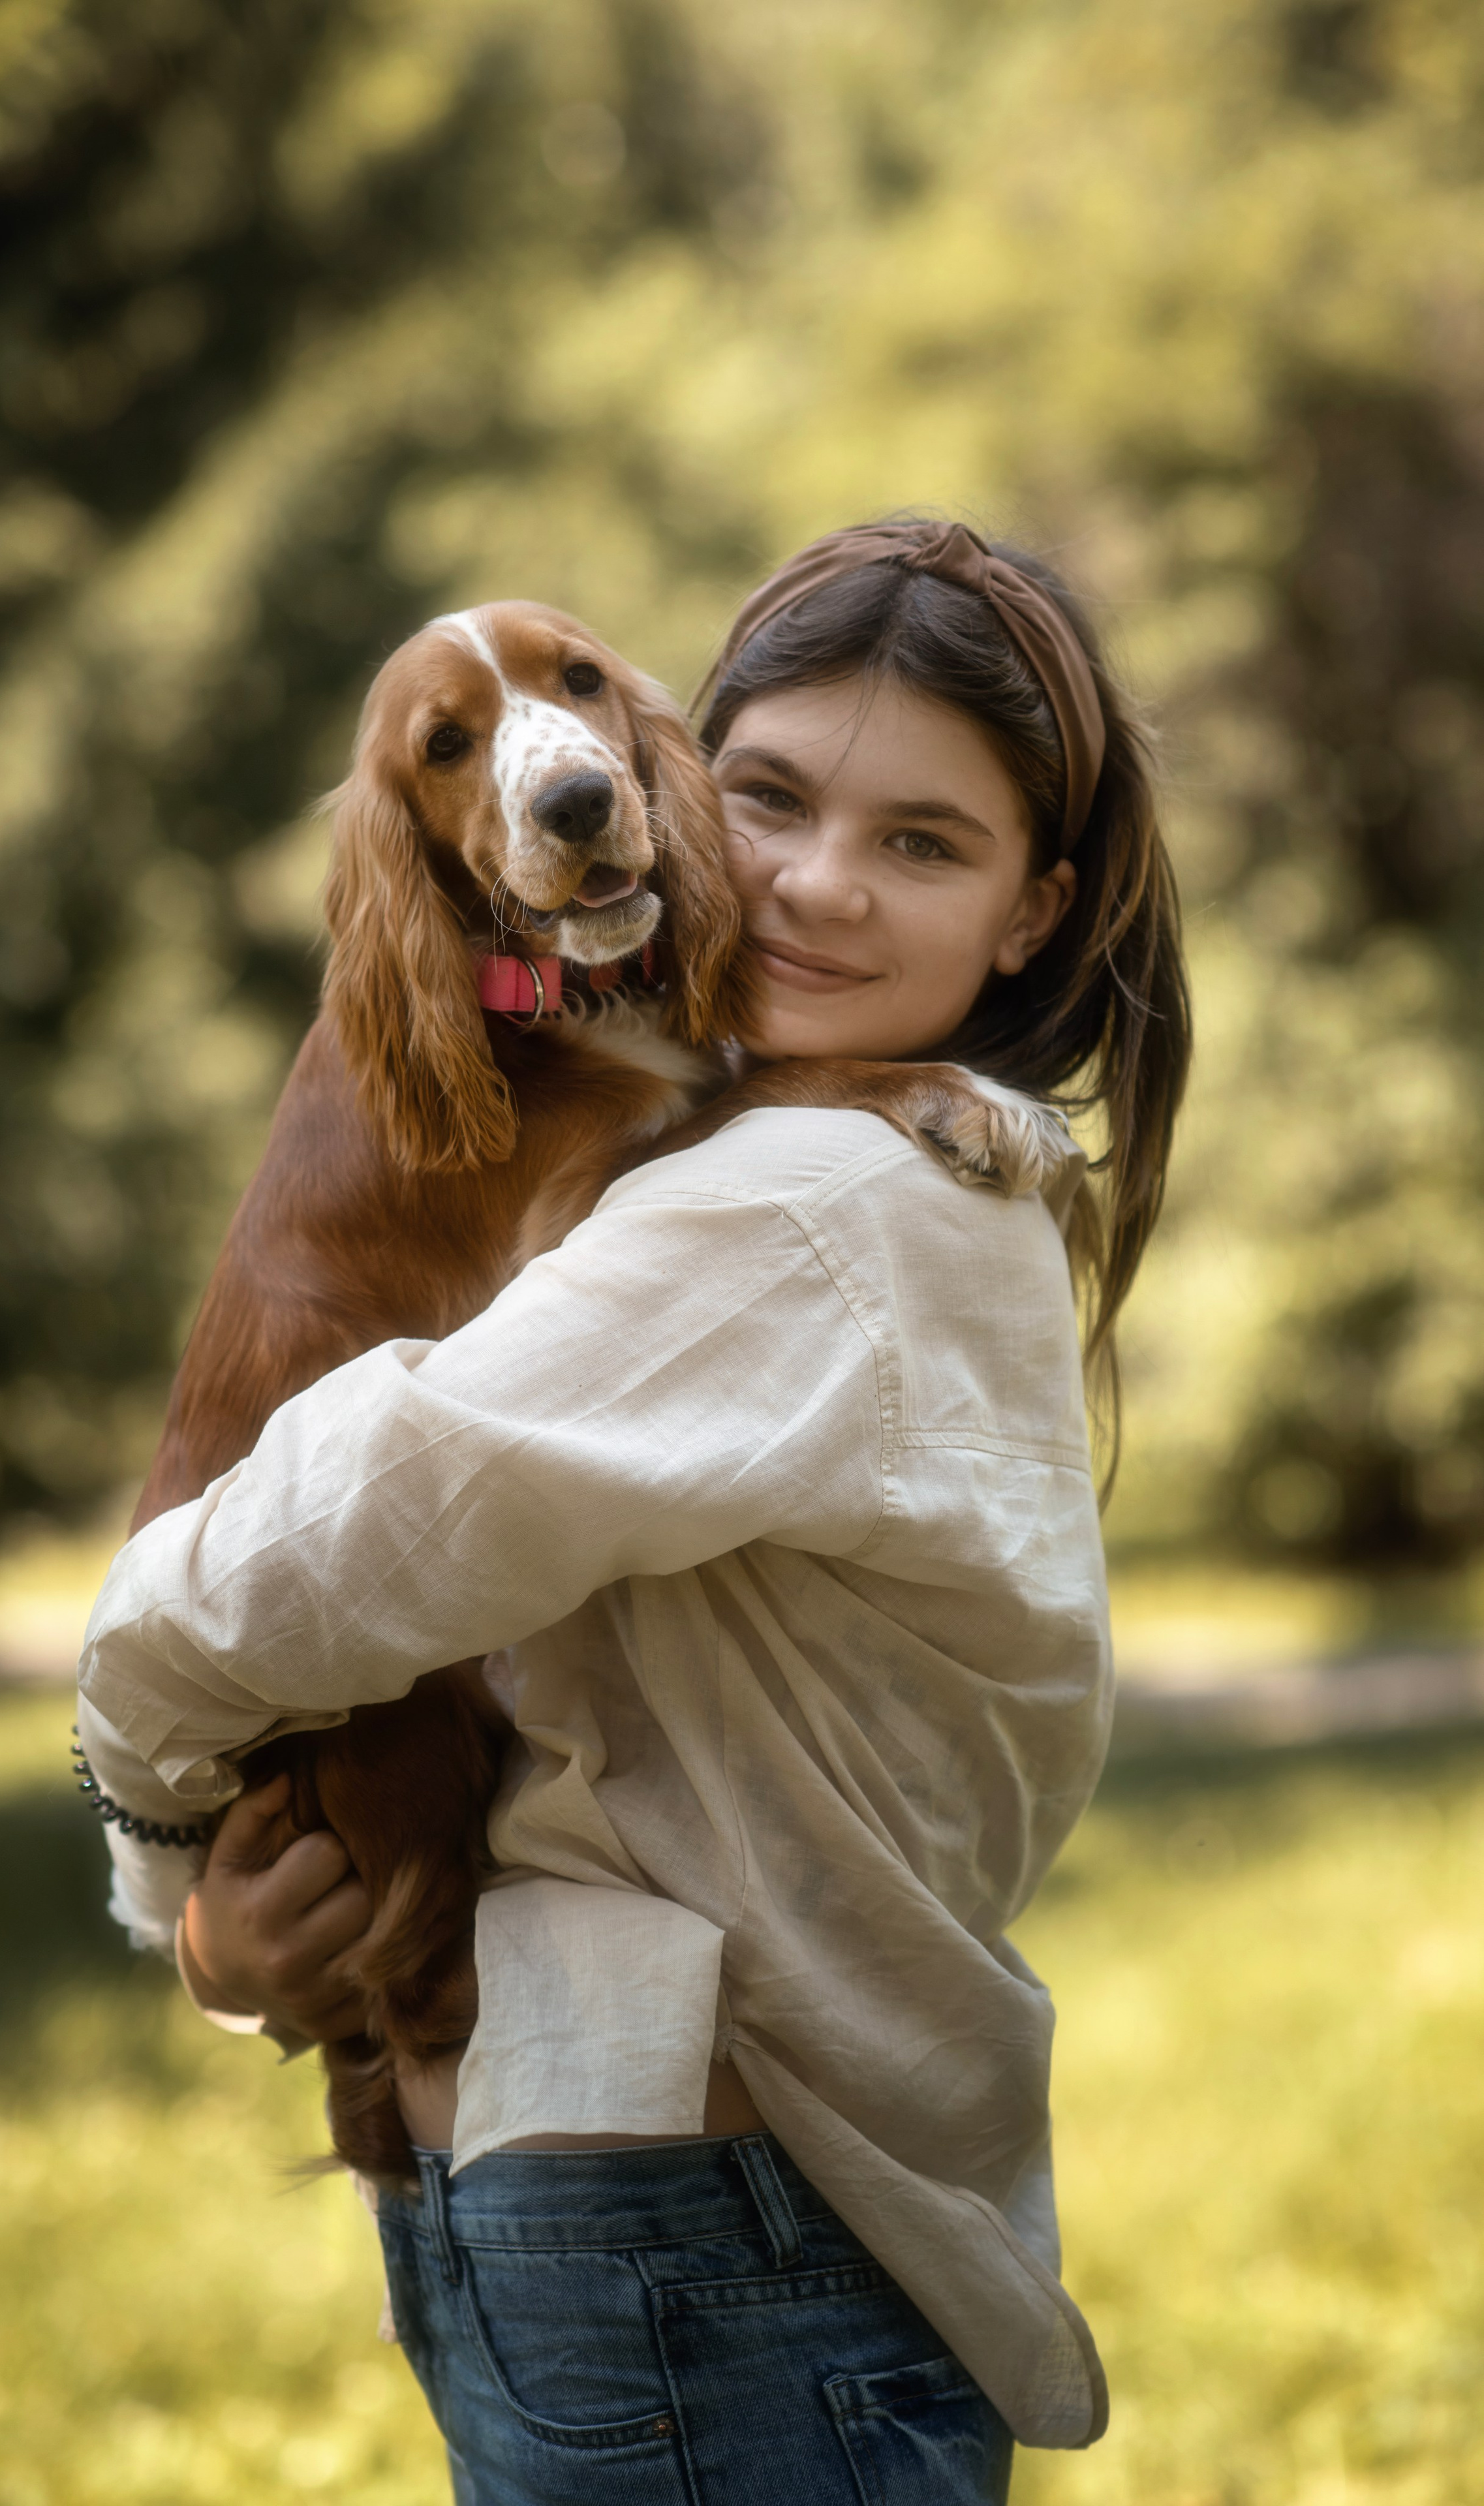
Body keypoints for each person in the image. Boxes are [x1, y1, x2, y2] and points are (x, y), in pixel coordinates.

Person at [76, 517, 1190, 2503]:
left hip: (686, 2218)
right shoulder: (824, 1154)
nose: (818, 887)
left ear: (1039, 907)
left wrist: (157, 1844)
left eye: (923, 844)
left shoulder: (800, 1205)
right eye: (770, 803)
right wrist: (214, 1912)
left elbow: (254, 1583)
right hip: (678, 2220)